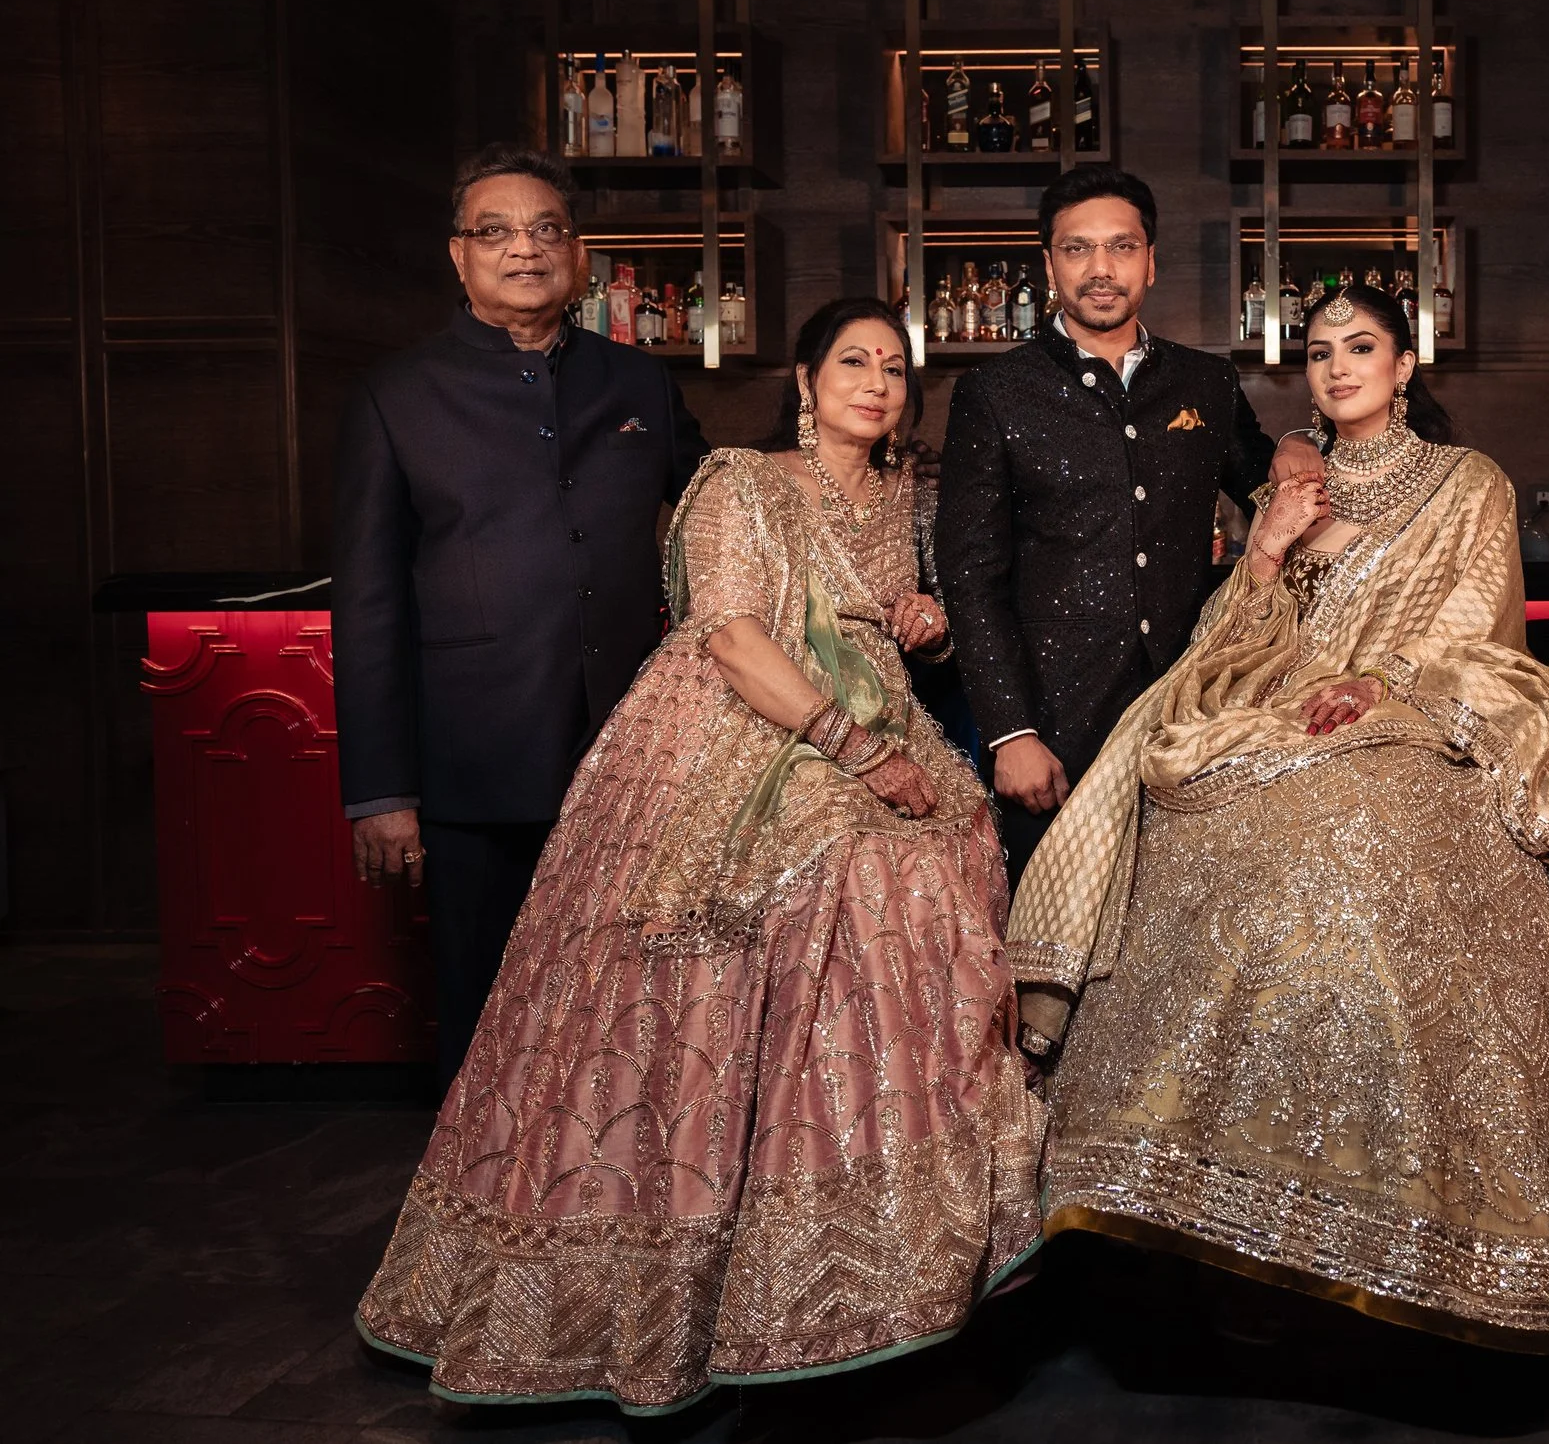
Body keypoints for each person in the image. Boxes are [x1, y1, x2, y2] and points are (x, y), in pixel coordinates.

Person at [356, 301, 1045, 1412]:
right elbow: (728, 635)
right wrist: (854, 750)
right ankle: (689, 1263)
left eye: (893, 368)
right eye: (852, 361)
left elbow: (895, 613)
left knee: (930, 862)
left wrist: (926, 620)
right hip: (744, 720)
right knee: (811, 883)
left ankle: (873, 1235)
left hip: (874, 713)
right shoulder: (742, 479)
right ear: (803, 378)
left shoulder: (905, 501)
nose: (875, 381)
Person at [1007, 282, 1549, 1353]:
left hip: (1422, 712)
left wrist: (1381, 687)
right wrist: (1263, 548)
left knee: (1358, 836)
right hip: (1275, 704)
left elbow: (1477, 622)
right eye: (1320, 351)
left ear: (1402, 363)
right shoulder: (1292, 484)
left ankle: (1408, 1229)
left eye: (1361, 347)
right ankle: (1180, 1208)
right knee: (1204, 813)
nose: (1338, 367)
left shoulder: (1464, 479)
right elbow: (1229, 637)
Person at [334, 144, 709, 1090]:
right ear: (457, 255)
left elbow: (721, 514)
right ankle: (479, 1209)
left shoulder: (639, 385)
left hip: (632, 757)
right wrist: (381, 790)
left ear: (579, 255)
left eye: (547, 229)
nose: (525, 249)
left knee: (630, 1003)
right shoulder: (397, 396)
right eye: (494, 231)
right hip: (474, 761)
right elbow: (368, 602)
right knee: (488, 1002)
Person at [936, 166, 1320, 884]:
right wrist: (1010, 732)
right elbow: (969, 574)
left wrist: (1301, 439)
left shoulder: (1206, 382)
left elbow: (1269, 481)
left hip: (1190, 715)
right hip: (1055, 724)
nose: (1101, 269)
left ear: (1151, 260)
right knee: (1051, 950)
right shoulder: (993, 394)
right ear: (1048, 265)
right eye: (1077, 250)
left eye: (1121, 246)